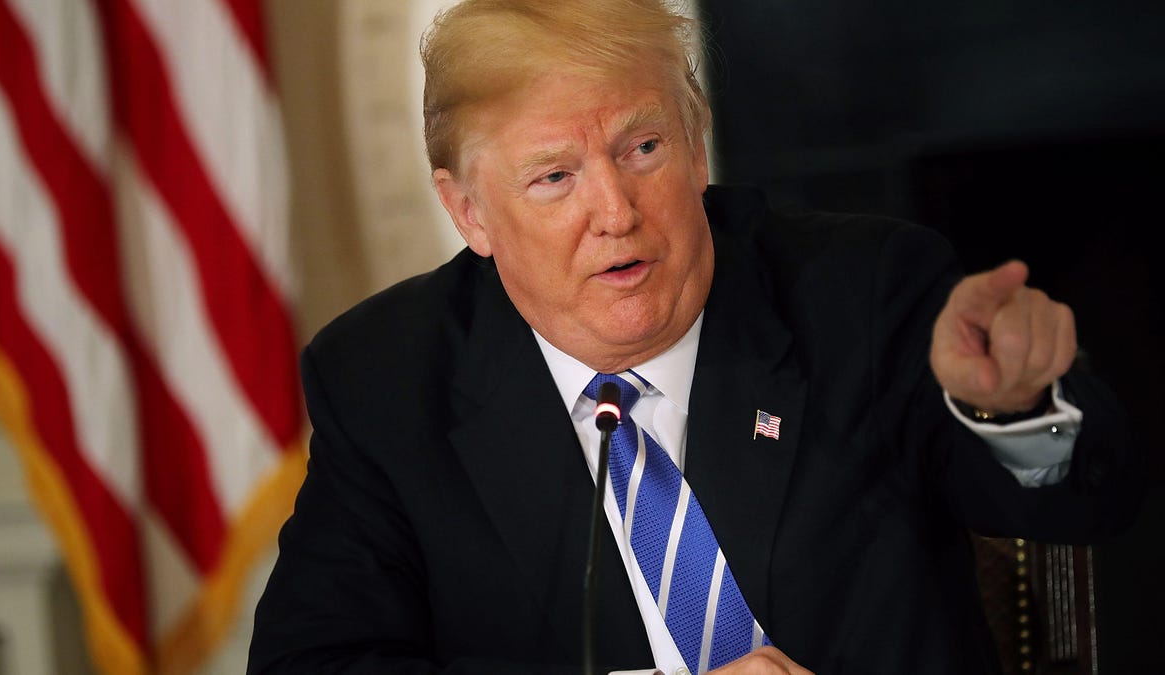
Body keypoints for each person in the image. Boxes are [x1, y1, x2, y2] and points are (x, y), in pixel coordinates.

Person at [247, 1, 1142, 673]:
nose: (616, 211)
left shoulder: (863, 295)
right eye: (555, 177)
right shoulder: (387, 381)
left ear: (699, 142)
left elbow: (1088, 503)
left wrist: (1014, 405)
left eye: (643, 148)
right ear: (468, 211)